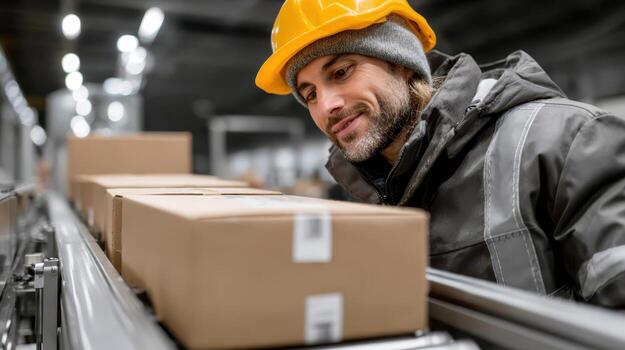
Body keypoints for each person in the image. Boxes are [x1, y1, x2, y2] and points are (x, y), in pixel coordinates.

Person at [255, 0, 625, 307]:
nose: (326, 106)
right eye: (310, 95)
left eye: (341, 72)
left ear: (400, 63)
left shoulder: (567, 140)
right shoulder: (367, 191)